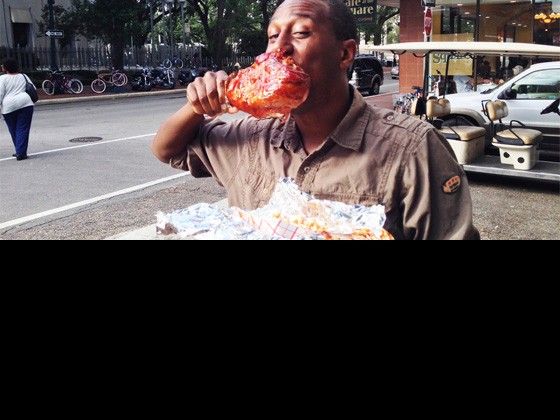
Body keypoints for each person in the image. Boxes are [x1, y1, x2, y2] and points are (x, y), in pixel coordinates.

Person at [152, 0, 480, 240]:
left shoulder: (411, 148)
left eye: (301, 32)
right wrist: (197, 107)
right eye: (272, 36)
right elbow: (168, 150)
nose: (278, 49)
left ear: (345, 54)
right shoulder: (252, 136)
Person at [0, 57, 35, 161]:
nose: (1, 66)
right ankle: (20, 151)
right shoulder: (23, 76)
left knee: (13, 129)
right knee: (23, 128)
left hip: (9, 107)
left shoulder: (2, 79)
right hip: (25, 103)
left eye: (2, 65)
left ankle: (20, 151)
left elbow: (0, 94)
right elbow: (32, 87)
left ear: (5, 67)